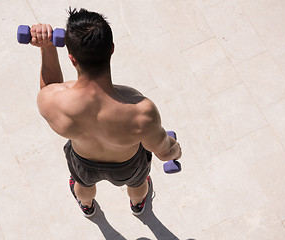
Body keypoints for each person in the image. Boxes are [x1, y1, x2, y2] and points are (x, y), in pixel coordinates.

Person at [31, 8, 182, 217]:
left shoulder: (52, 101)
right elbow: (164, 152)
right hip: (127, 164)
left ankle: (87, 206)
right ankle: (137, 204)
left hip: (83, 160)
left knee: (82, 185)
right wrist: (175, 150)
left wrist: (47, 47)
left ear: (72, 58)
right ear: (111, 49)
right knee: (138, 184)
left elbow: (50, 89)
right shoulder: (141, 112)